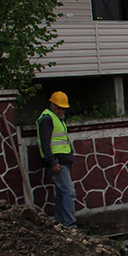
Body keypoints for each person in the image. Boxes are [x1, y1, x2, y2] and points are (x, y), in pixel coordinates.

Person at [37, 91, 77, 227]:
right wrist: (52, 162)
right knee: (68, 192)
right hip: (57, 161)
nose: (61, 111)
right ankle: (70, 225)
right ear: (52, 105)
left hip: (62, 160)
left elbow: (63, 141)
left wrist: (69, 159)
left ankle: (61, 224)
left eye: (63, 108)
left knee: (62, 193)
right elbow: (45, 144)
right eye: (59, 108)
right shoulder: (47, 119)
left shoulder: (56, 119)